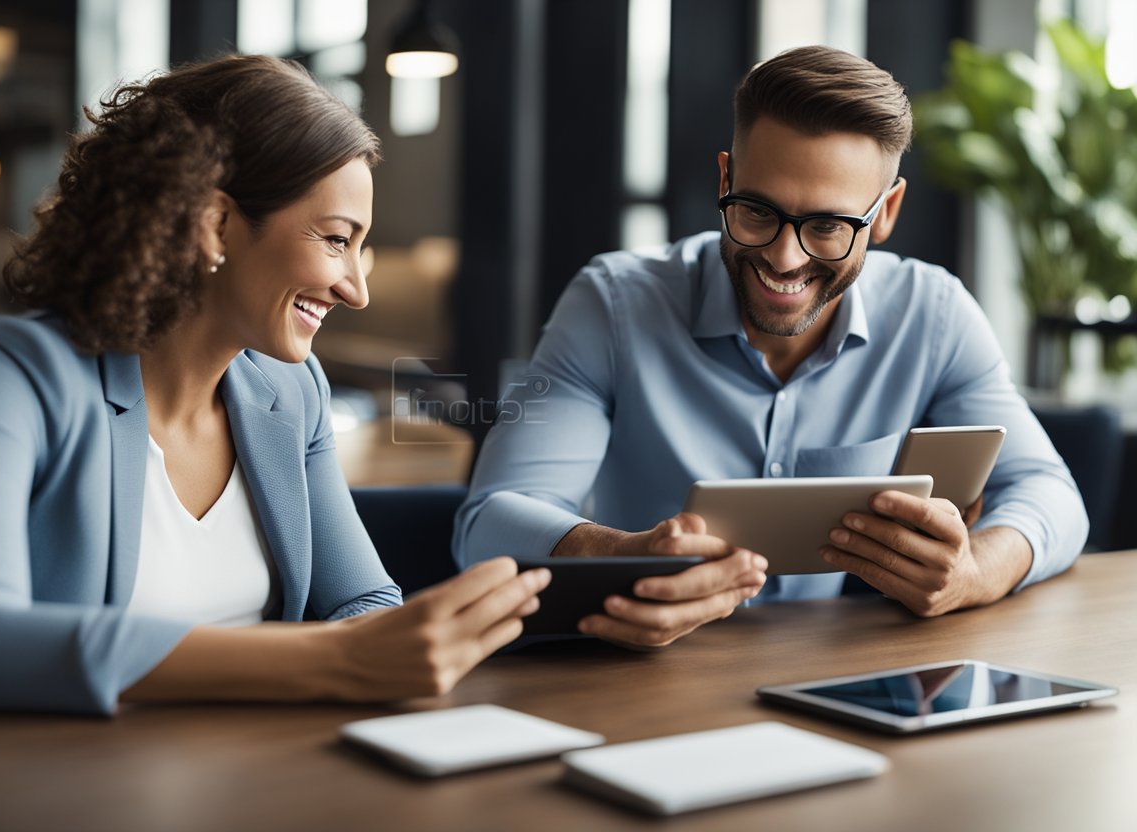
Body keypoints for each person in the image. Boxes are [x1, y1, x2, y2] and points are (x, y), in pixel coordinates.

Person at [0, 55, 550, 715]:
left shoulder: (292, 387)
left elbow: (363, 602)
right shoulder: (18, 369)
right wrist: (333, 660)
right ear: (216, 224)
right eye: (336, 240)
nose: (356, 290)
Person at [453, 46, 1087, 648]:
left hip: (837, 673)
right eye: (757, 210)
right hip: (645, 676)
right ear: (726, 177)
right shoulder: (612, 303)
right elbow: (488, 522)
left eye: (829, 227)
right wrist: (621, 558)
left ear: (885, 213)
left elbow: (1050, 493)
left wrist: (975, 572)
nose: (785, 258)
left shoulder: (935, 312)